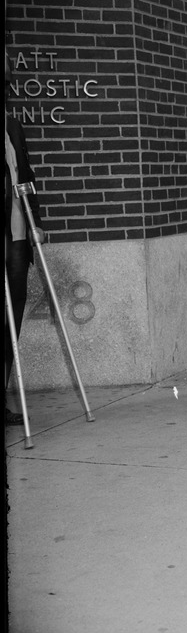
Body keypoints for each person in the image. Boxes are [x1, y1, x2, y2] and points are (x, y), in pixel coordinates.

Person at [5, 52, 45, 426]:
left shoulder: (13, 125)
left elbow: (26, 173)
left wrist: (37, 220)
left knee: (11, 314)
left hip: (16, 236)